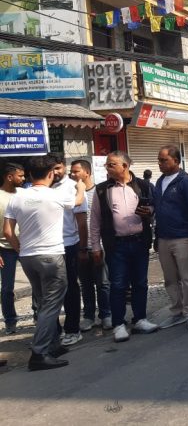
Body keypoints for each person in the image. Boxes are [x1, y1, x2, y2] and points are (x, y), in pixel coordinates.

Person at [4, 155, 85, 370]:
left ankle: (52, 345)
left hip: (28, 257)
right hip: (51, 256)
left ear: (30, 174)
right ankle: (39, 353)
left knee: (42, 301)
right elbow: (78, 201)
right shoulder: (55, 195)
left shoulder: (17, 197)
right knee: (51, 304)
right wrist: (80, 187)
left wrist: (20, 248)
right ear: (50, 174)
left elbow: (7, 231)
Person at [89, 151, 159, 343]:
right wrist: (95, 246)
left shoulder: (143, 186)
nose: (107, 168)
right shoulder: (102, 190)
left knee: (140, 283)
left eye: (111, 164)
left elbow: (155, 208)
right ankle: (119, 324)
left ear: (125, 166)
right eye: (107, 164)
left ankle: (140, 319)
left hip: (139, 242)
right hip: (116, 245)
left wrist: (150, 211)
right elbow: (95, 220)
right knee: (118, 285)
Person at [154, 145, 188, 330]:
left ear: (176, 161)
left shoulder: (186, 182)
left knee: (187, 278)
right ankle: (177, 312)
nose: (160, 164)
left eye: (164, 160)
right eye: (159, 160)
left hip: (183, 237)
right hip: (163, 238)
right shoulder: (160, 181)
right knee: (170, 279)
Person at [51, 154, 89, 347]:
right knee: (50, 291)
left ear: (63, 167)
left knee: (70, 288)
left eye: (58, 168)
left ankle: (73, 329)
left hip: (69, 245)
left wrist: (83, 248)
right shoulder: (44, 188)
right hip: (49, 247)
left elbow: (81, 222)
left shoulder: (74, 187)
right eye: (52, 169)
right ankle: (53, 332)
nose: (55, 172)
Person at [70, 160, 111, 332]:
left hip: (98, 245)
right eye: (71, 172)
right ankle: (88, 316)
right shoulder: (71, 194)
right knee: (85, 284)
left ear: (87, 172)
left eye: (76, 171)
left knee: (103, 283)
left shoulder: (99, 191)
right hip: (79, 246)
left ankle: (106, 314)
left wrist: (99, 245)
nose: (72, 174)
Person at [0, 163, 24, 335]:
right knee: (7, 288)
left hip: (26, 246)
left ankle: (37, 314)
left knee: (37, 284)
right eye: (20, 176)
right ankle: (10, 321)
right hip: (5, 249)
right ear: (9, 177)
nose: (23, 179)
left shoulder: (24, 194)